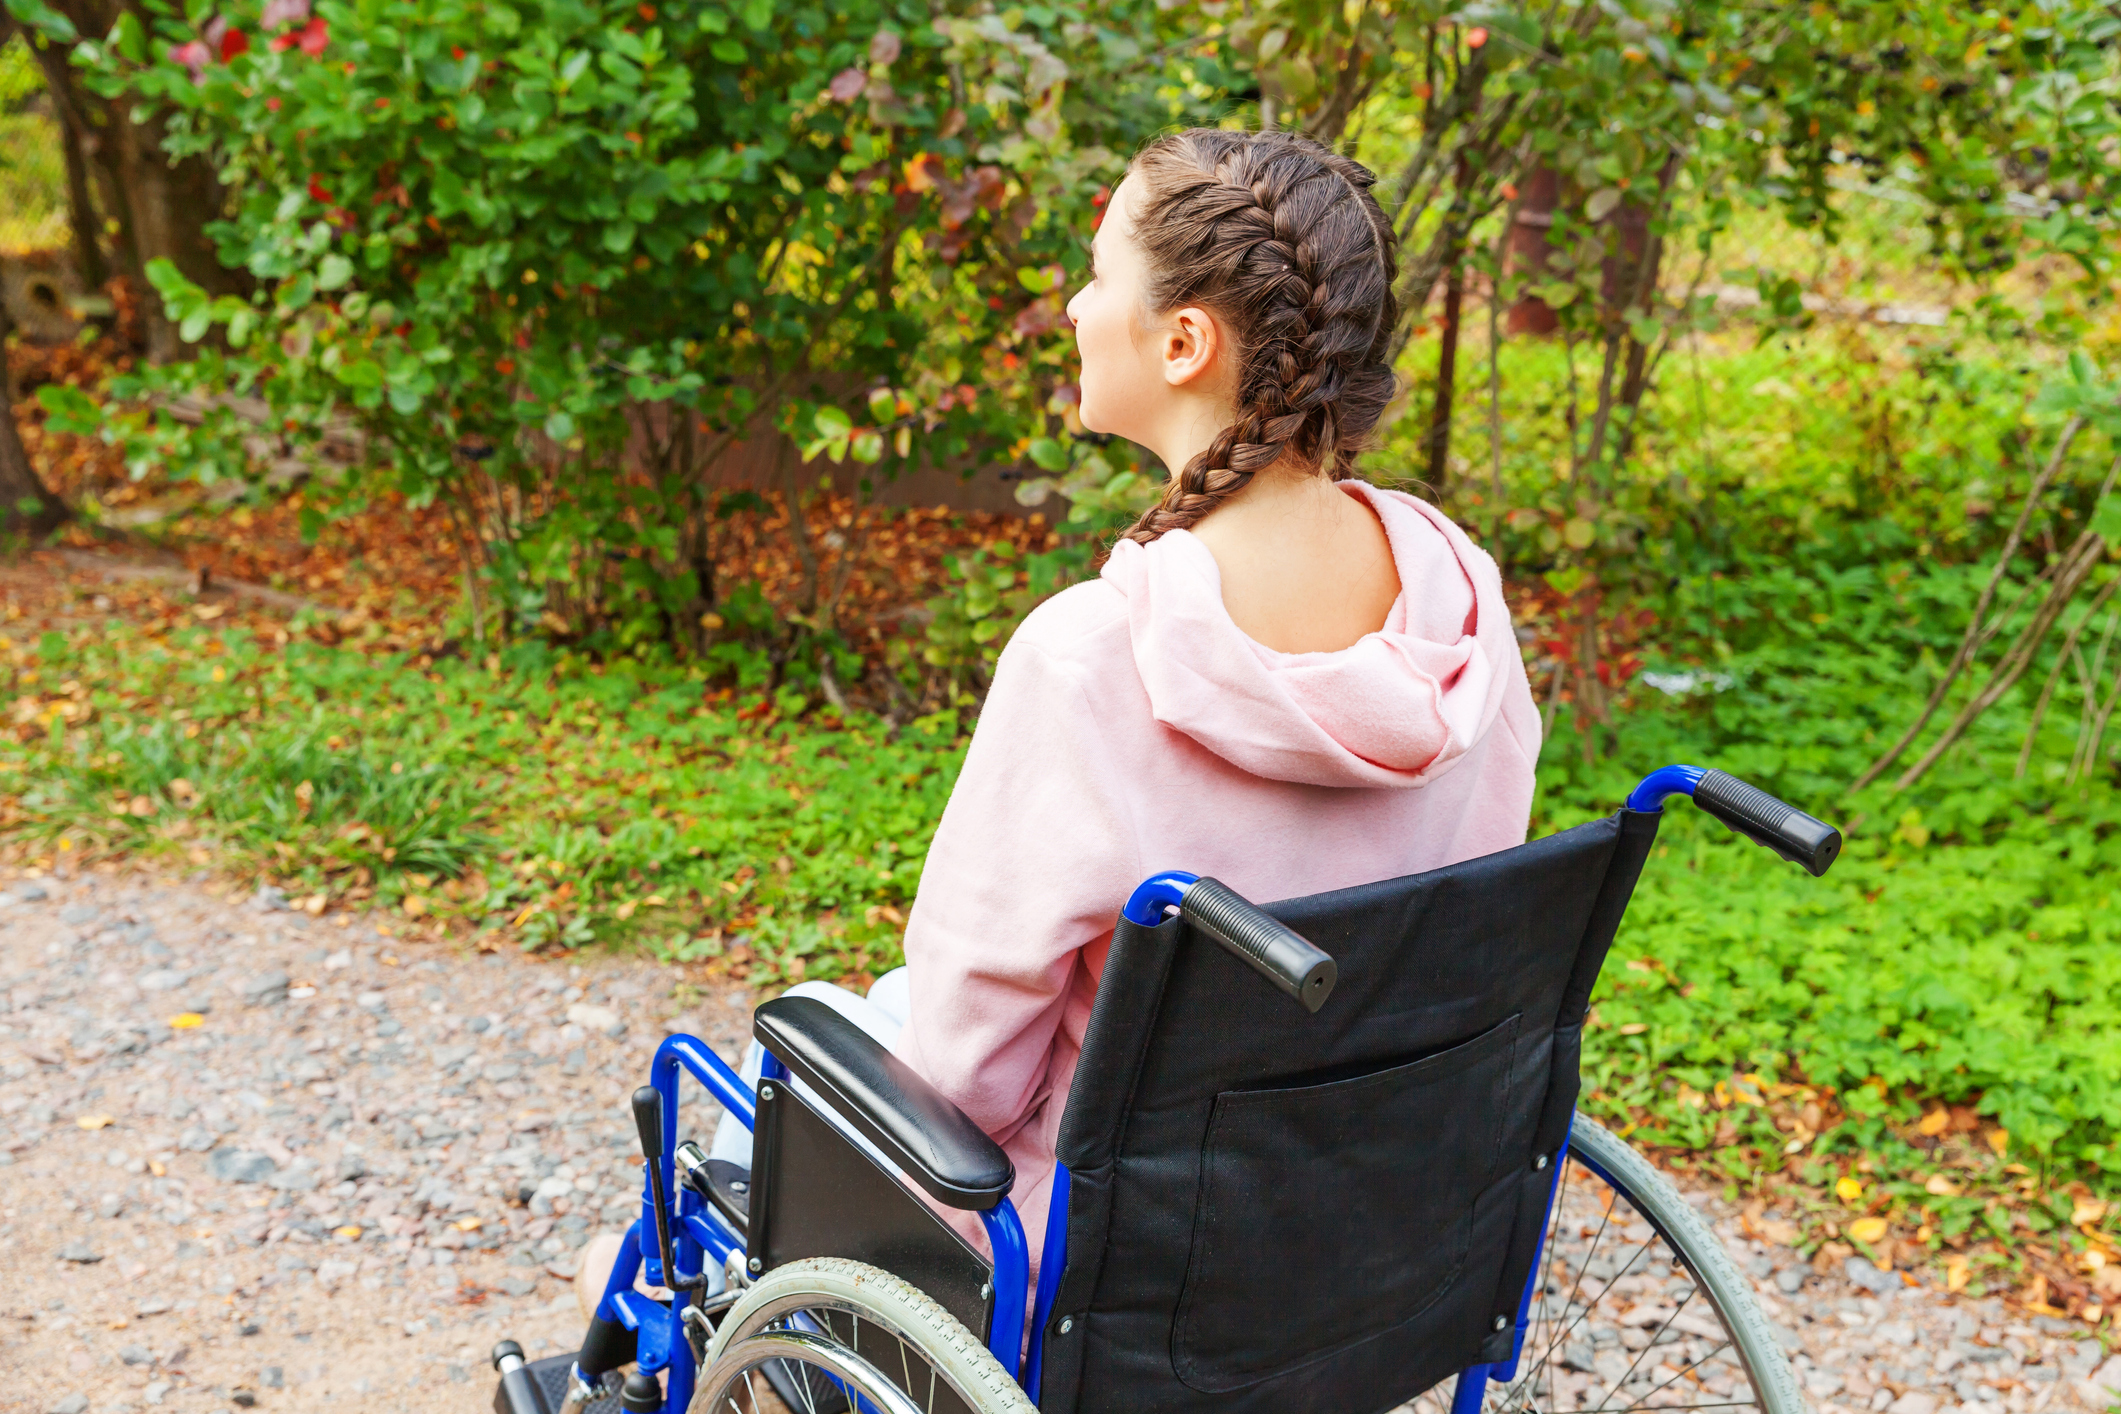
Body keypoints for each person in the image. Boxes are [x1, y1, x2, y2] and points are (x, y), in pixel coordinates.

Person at [579, 126, 1538, 1320]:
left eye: (1098, 275)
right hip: (1368, 1226)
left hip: (1111, 1270)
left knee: (754, 1113)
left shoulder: (1093, 657)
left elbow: (970, 1076)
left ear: (1185, 342)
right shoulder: (1465, 618)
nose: (1077, 307)